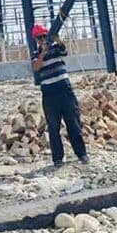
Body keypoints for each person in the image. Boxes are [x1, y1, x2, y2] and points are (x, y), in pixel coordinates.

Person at [30, 23, 88, 168]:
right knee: (53, 127)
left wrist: (58, 40)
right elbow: (36, 67)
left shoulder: (56, 49)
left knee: (73, 123)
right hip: (49, 94)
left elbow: (64, 51)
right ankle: (57, 159)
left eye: (44, 36)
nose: (42, 39)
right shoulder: (36, 54)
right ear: (36, 40)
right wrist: (42, 53)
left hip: (64, 89)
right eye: (39, 37)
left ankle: (81, 154)